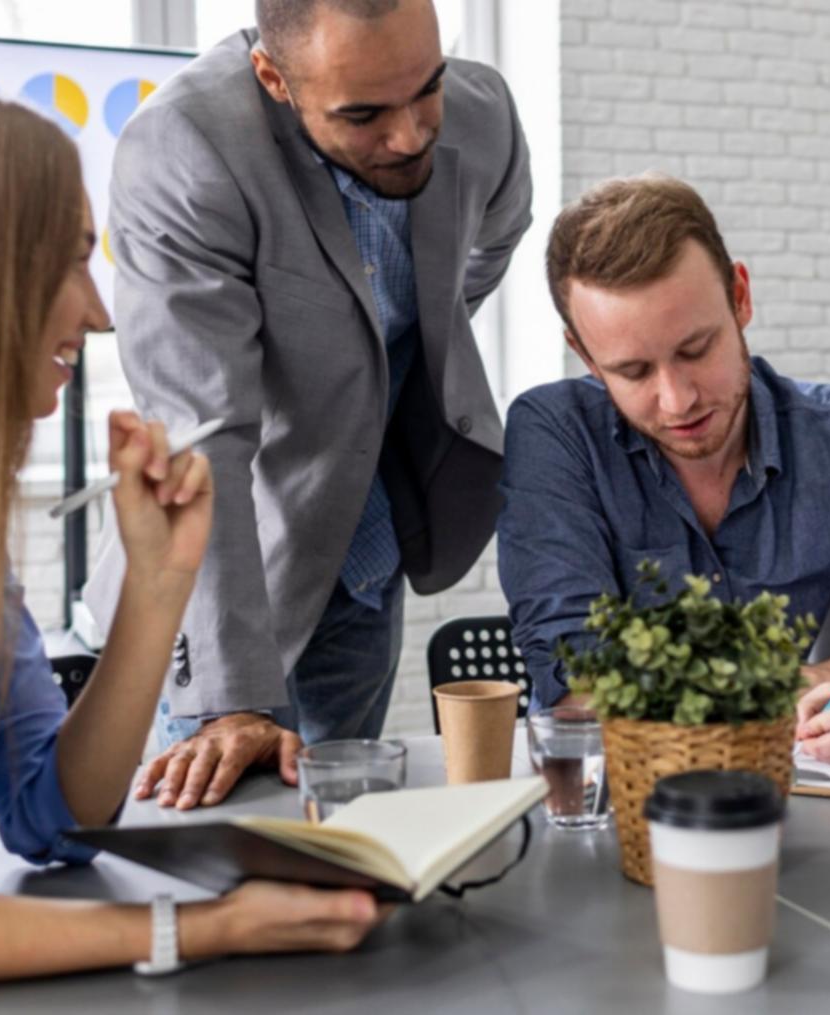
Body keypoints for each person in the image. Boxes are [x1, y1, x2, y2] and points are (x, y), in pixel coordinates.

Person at [0, 84, 388, 1006]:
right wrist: (199, 928)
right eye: (69, 263)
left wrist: (160, 585)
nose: (98, 311)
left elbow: (57, 813)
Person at [83, 0, 533, 811]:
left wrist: (404, 337)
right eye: (362, 114)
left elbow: (497, 237)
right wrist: (231, 703)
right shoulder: (183, 149)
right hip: (225, 570)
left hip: (366, 558)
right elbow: (201, 431)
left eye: (423, 88)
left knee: (345, 844)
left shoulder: (483, 113)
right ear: (273, 77)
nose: (407, 135)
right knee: (222, 853)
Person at [497, 175, 830, 767]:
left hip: (795, 792)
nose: (677, 400)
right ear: (583, 354)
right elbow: (577, 682)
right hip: (611, 801)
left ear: (740, 296)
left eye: (695, 349)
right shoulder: (554, 433)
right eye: (632, 372)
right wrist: (829, 669)